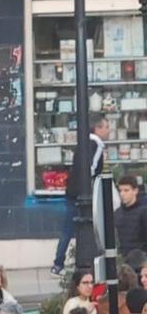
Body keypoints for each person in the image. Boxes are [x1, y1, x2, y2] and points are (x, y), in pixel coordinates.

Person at [54, 112, 111, 276]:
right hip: (84, 193)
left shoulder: (84, 142)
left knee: (68, 228)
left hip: (72, 192)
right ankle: (89, 260)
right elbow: (91, 168)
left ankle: (58, 263)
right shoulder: (97, 144)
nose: (108, 131)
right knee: (92, 227)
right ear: (98, 128)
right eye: (106, 127)